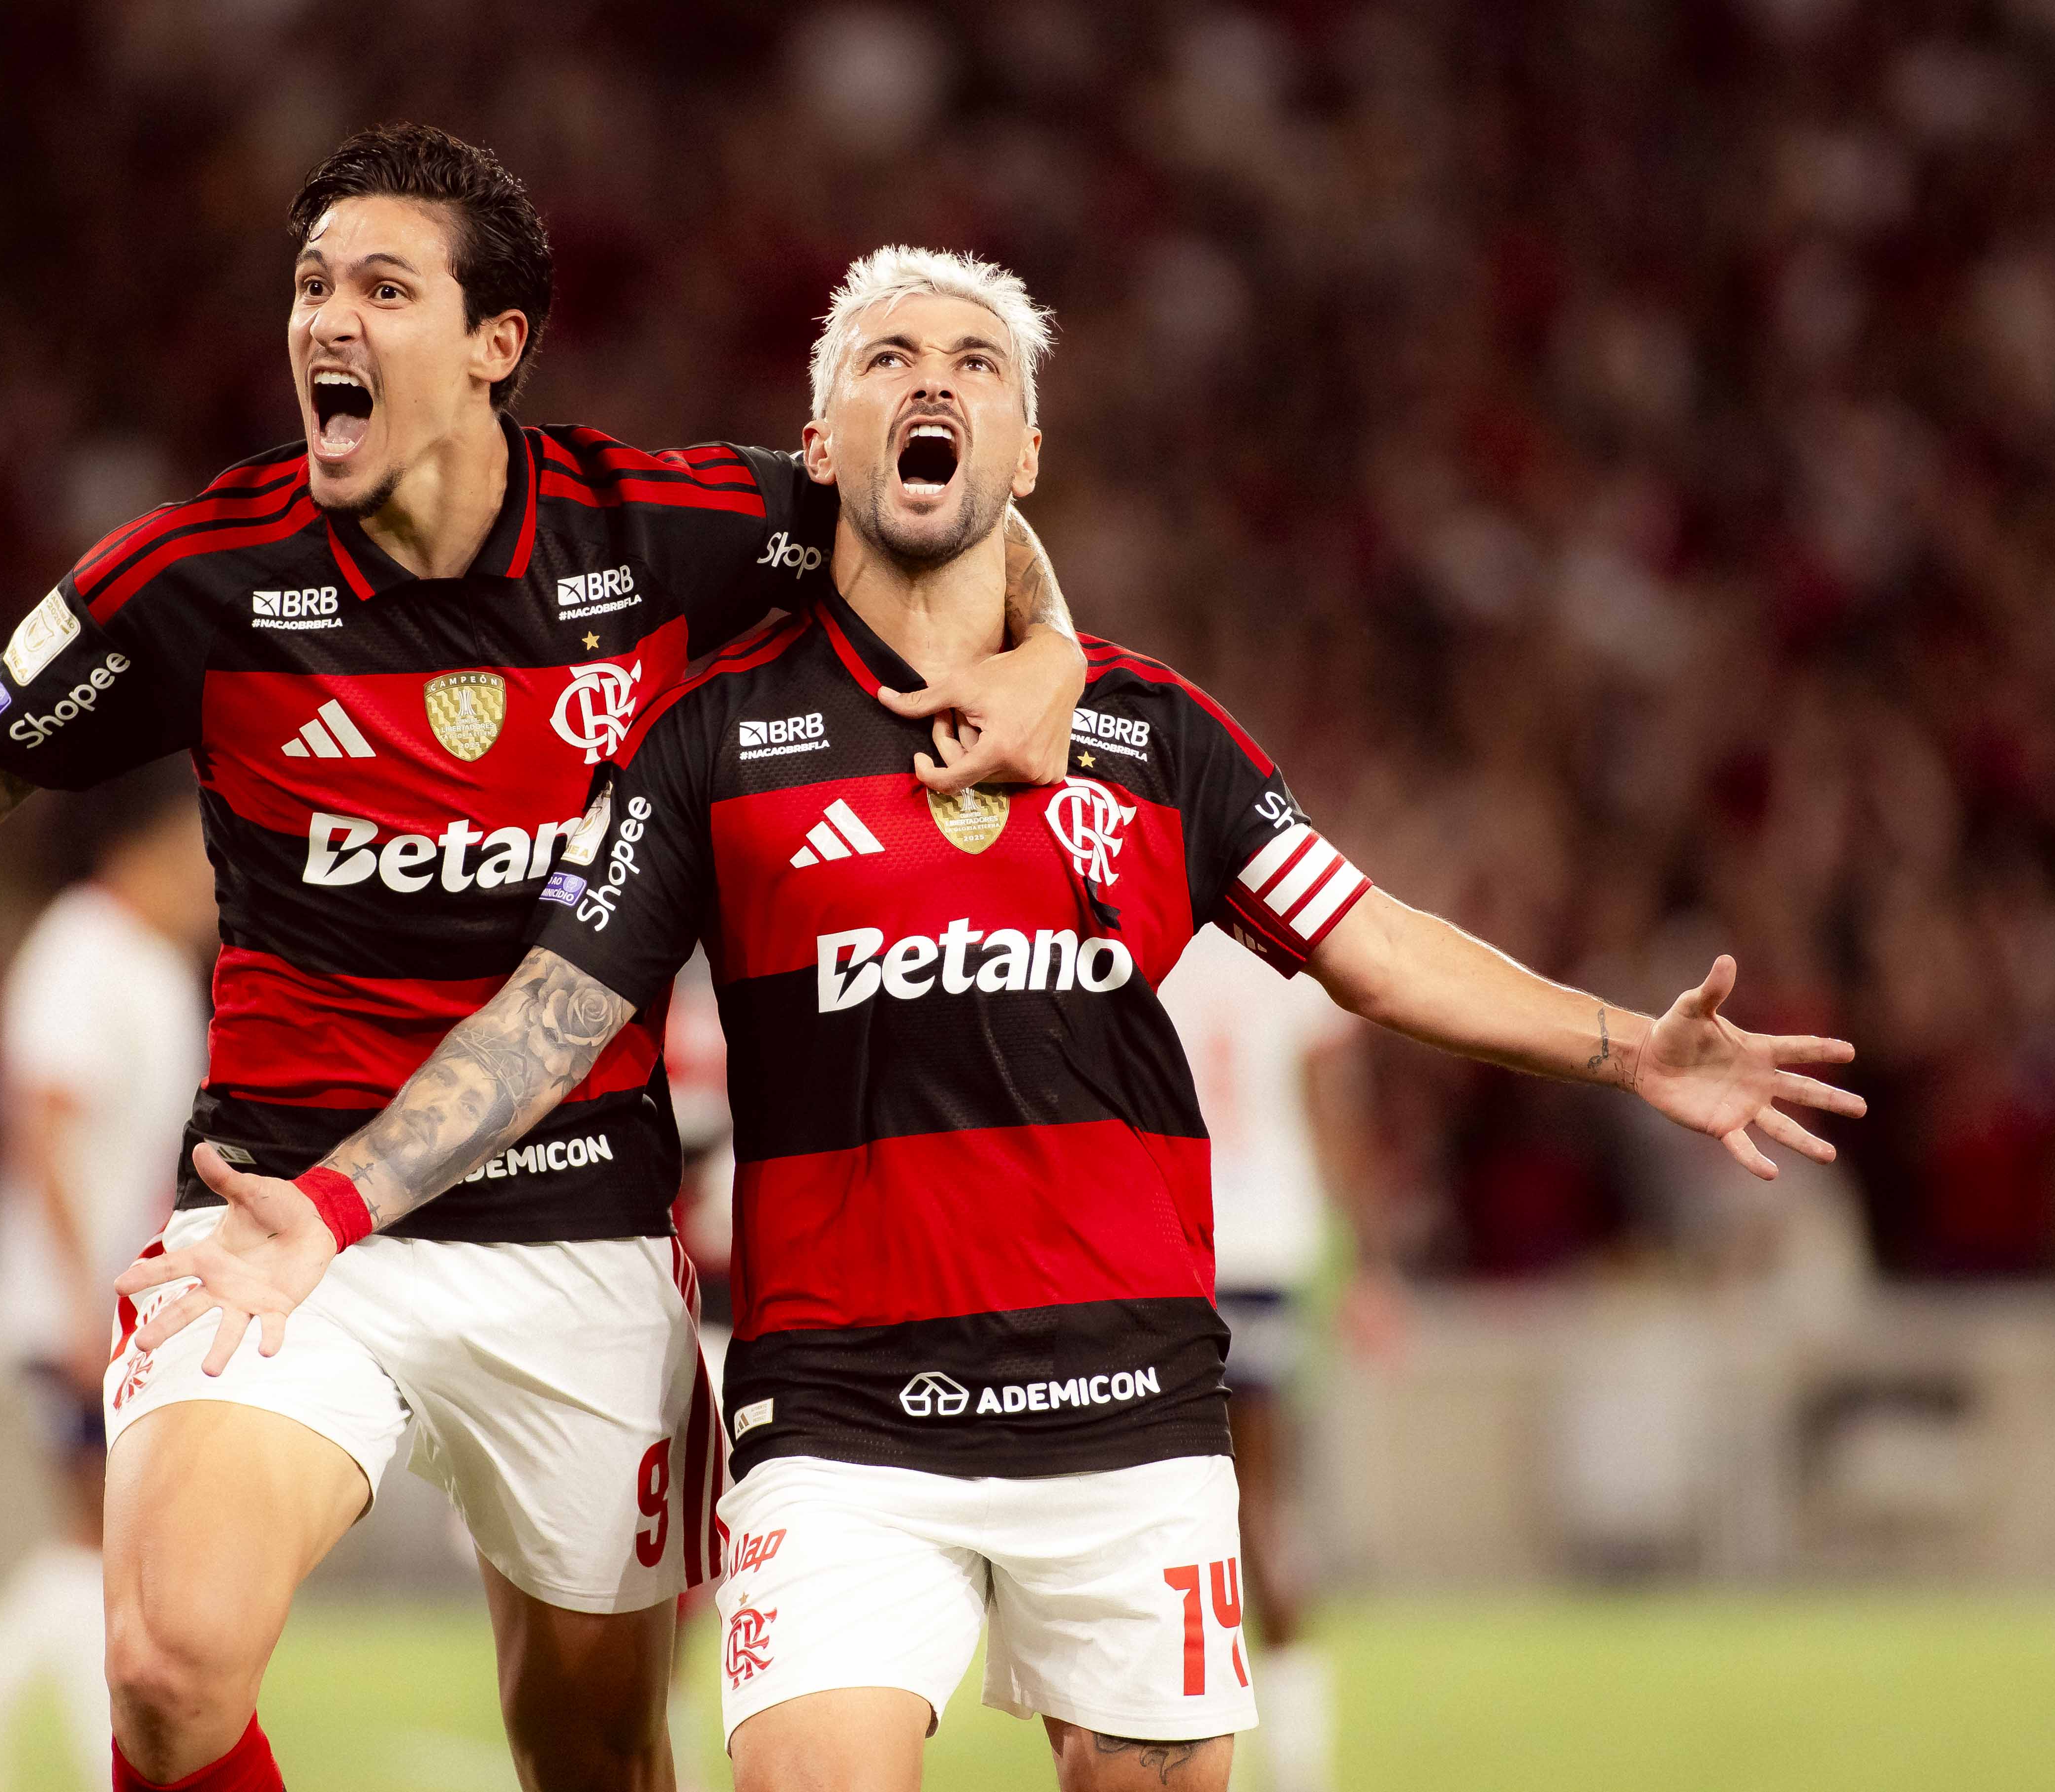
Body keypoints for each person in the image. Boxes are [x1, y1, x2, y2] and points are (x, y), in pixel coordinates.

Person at [119, 245, 1866, 1792]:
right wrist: (335, 1207)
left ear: (1024, 452)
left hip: (1128, 1406)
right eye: (885, 358)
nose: (930, 382)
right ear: (821, 447)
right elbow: (551, 1015)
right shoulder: (709, 743)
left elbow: (1374, 944)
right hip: (839, 1421)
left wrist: (1626, 1045)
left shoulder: (1154, 734)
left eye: (977, 365)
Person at [0, 125, 1086, 1792]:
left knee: (591, 1756)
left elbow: (945, 511)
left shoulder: (663, 527)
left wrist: (1052, 656)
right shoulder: (193, 577)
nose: (328, 319)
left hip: (575, 1228)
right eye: (311, 286)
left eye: (385, 288)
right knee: (165, 1670)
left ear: (495, 343)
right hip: (285, 1221)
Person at [0, 778, 214, 1792]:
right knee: (114, 1539)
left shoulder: (156, 967)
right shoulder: (81, 950)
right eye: (197, 851)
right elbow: (42, 1126)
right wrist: (87, 1297)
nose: (210, 879)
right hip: (70, 1300)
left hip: (117, 1296)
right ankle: (52, 1738)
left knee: (107, 1538)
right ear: (143, 846)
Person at [1157, 926, 1396, 1792]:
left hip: (1170, 1241)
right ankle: (1297, 1757)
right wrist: (1366, 1259)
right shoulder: (1284, 951)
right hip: (1268, 1242)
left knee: (1163, 1500)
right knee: (1264, 1494)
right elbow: (1334, 1106)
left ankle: (1179, 1730)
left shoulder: (1149, 941)